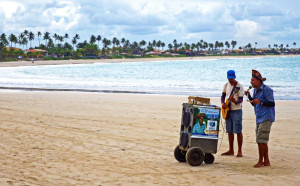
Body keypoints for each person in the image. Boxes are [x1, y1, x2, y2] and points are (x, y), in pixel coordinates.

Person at [245, 69, 275, 168]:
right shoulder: (255, 90)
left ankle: (260, 161)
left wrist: (260, 102)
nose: (251, 82)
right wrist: (249, 97)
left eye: (252, 80)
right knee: (262, 139)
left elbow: (272, 103)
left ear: (259, 81)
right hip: (259, 117)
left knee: (260, 140)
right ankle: (266, 161)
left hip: (266, 117)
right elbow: (255, 104)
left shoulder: (267, 89)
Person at [221, 70, 244, 157]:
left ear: (235, 77)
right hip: (228, 110)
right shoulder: (226, 85)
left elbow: (241, 99)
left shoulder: (239, 86)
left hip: (236, 110)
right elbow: (223, 95)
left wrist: (236, 101)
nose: (230, 80)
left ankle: (240, 151)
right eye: (229, 78)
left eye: (232, 78)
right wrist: (223, 103)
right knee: (229, 130)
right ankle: (231, 150)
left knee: (238, 130)